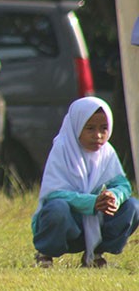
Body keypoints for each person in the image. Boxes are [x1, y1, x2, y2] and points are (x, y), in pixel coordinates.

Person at [32, 96, 139, 268]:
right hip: (68, 226)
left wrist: (113, 197)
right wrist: (92, 202)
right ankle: (45, 253)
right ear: (76, 126)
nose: (98, 135)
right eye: (90, 128)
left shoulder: (107, 152)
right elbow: (54, 193)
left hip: (96, 222)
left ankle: (96, 254)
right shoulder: (63, 149)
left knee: (133, 207)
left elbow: (123, 184)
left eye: (104, 128)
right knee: (57, 208)